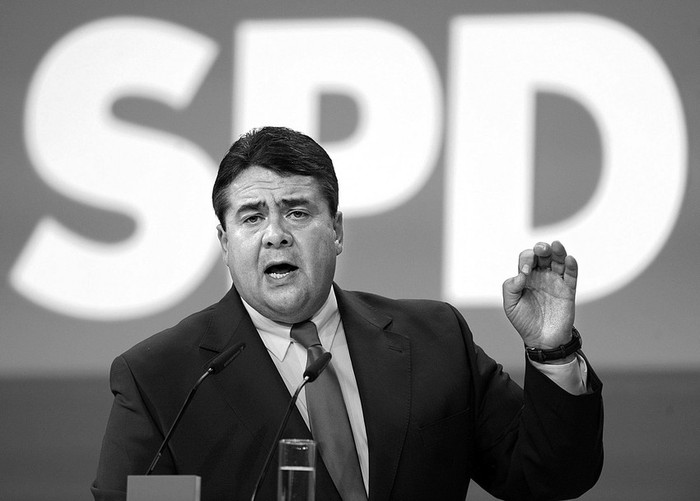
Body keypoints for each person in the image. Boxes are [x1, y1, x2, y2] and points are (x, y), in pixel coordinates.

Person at [92, 126, 603, 500]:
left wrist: (553, 349)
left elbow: (549, 477)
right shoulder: (164, 377)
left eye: (297, 211)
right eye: (252, 217)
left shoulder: (434, 340)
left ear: (336, 230)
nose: (275, 234)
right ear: (225, 244)